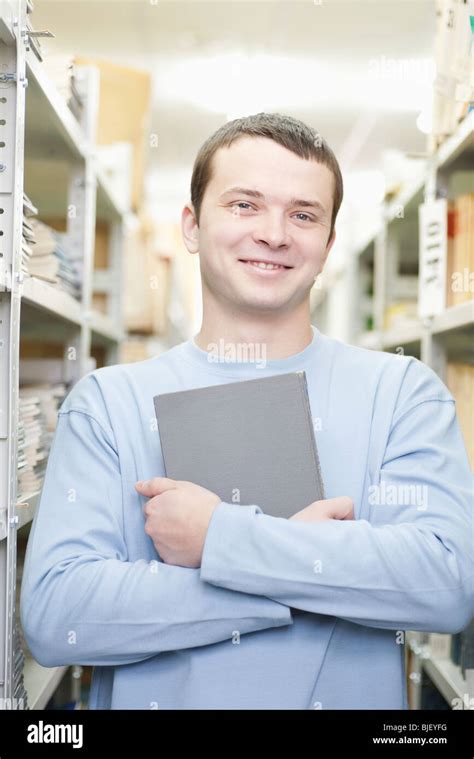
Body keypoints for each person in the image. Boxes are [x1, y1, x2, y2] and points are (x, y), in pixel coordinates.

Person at [20, 113, 473, 710]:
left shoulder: (403, 394)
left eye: (304, 214)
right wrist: (302, 572)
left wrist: (222, 539)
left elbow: (444, 583)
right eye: (244, 205)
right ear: (191, 225)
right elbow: (59, 614)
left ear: (329, 244)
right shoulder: (109, 403)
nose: (275, 234)